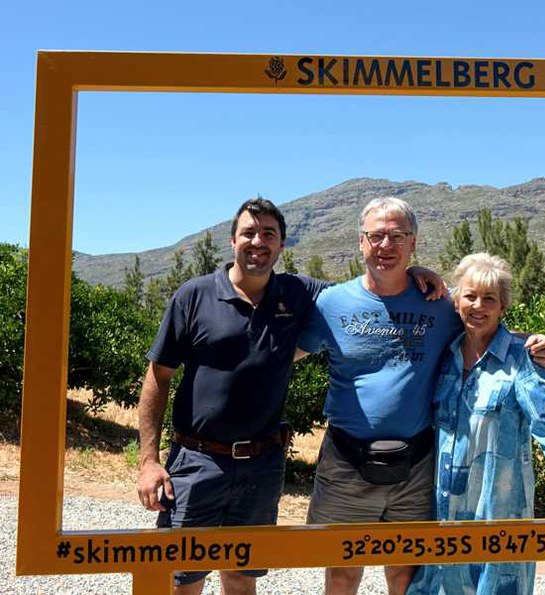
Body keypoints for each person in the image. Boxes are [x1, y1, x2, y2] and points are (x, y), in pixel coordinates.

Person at [136, 197, 445, 594]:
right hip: (197, 460)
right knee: (183, 579)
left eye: (269, 234)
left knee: (241, 578)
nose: (258, 241)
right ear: (232, 240)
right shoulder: (194, 296)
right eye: (249, 232)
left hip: (262, 464)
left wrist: (414, 271)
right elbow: (157, 376)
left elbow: (376, 289)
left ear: (282, 244)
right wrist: (148, 461)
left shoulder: (298, 293)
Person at [296, 198, 545, 595]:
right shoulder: (332, 304)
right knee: (342, 572)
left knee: (406, 573)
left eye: (397, 236)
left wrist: (529, 345)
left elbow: (483, 320)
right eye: (376, 236)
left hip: (417, 464)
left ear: (413, 243)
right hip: (346, 462)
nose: (386, 245)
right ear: (360, 242)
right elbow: (283, 354)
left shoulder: (440, 303)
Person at [407, 253, 545, 595]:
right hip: (442, 518)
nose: (478, 306)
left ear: (503, 307)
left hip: (499, 519)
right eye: (471, 296)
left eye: (489, 299)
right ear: (456, 301)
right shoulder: (443, 355)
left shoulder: (522, 359)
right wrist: (414, 269)